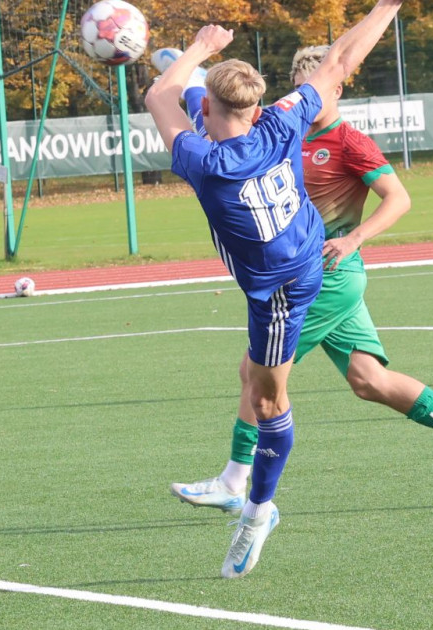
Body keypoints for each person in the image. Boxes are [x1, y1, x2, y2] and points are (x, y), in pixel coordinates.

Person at [160, 44, 433, 521]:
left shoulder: (349, 142)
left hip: (325, 273)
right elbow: (213, 112)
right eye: (300, 85)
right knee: (369, 380)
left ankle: (234, 481)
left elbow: (398, 199)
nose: (306, 93)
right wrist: (190, 70)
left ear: (335, 88)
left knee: (253, 374)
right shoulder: (276, 129)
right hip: (320, 272)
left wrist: (355, 238)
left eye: (315, 84)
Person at [144, 0, 401, 578]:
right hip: (306, 255)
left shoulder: (203, 162)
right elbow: (340, 57)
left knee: (266, 401)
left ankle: (258, 510)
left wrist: (200, 49)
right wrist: (387, 6)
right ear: (257, 106)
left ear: (210, 108)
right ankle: (241, 487)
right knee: (254, 385)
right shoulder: (283, 120)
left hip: (282, 291)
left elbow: (160, 98)